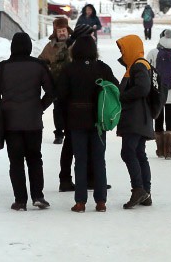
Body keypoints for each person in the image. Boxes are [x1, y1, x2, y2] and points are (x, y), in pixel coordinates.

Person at [0, 32, 54, 211]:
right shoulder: (39, 66)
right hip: (33, 122)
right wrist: (40, 107)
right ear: (29, 47)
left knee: (16, 161)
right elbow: (51, 91)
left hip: (11, 124)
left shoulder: (2, 68)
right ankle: (38, 196)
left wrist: (2, 110)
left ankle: (20, 201)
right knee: (35, 158)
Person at [57, 35, 119, 213]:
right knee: (99, 160)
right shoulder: (102, 68)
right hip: (98, 121)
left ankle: (80, 202)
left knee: (80, 160)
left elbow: (61, 95)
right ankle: (101, 202)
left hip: (76, 120)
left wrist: (61, 122)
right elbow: (115, 89)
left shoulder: (69, 69)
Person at [116, 34, 154, 209]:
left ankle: (138, 189)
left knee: (128, 152)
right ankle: (145, 193)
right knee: (139, 153)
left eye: (123, 49)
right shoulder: (138, 65)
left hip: (135, 117)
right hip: (141, 117)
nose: (122, 53)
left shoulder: (138, 65)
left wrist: (122, 96)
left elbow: (143, 88)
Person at [146, 29, 171, 159]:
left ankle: (160, 150)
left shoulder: (152, 53)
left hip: (157, 93)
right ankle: (169, 151)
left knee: (158, 120)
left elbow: (147, 74)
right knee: (170, 121)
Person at [38, 17, 72, 145]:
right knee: (58, 109)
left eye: (64, 30)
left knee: (71, 109)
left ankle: (71, 131)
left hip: (72, 84)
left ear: (68, 31)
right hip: (56, 83)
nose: (62, 33)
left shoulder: (74, 44)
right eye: (59, 31)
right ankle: (59, 133)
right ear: (55, 32)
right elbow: (41, 60)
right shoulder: (50, 46)